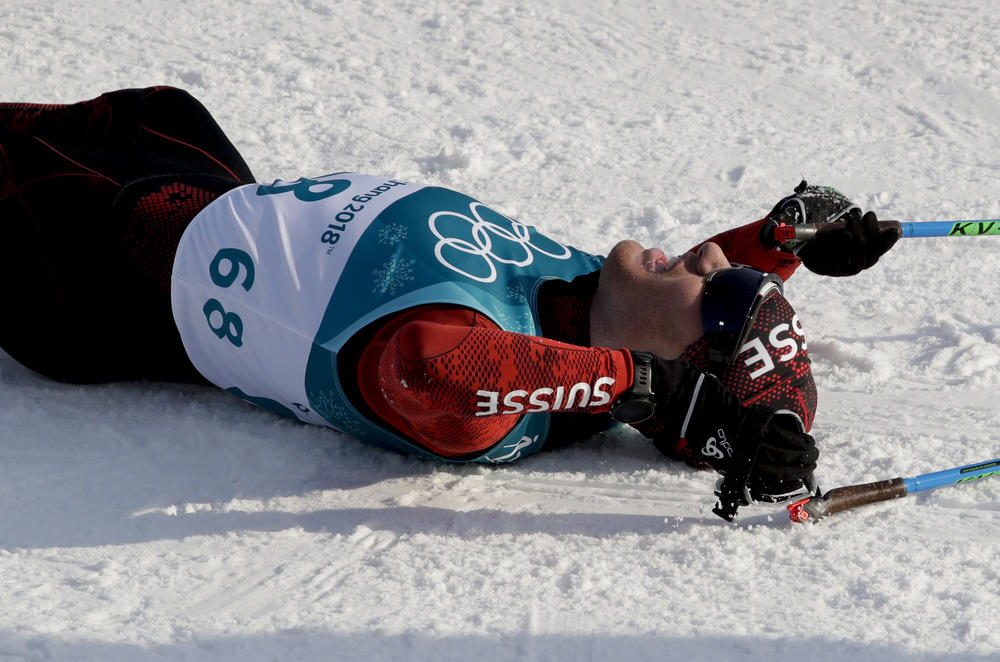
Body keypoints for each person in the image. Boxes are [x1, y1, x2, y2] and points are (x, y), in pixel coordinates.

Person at [0, 86, 900, 511]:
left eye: (717, 280)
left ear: (664, 373)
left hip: (87, 268)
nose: (707, 251)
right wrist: (782, 243)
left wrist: (630, 387)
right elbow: (700, 313)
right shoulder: (589, 296)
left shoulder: (498, 403)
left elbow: (427, 367)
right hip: (184, 172)